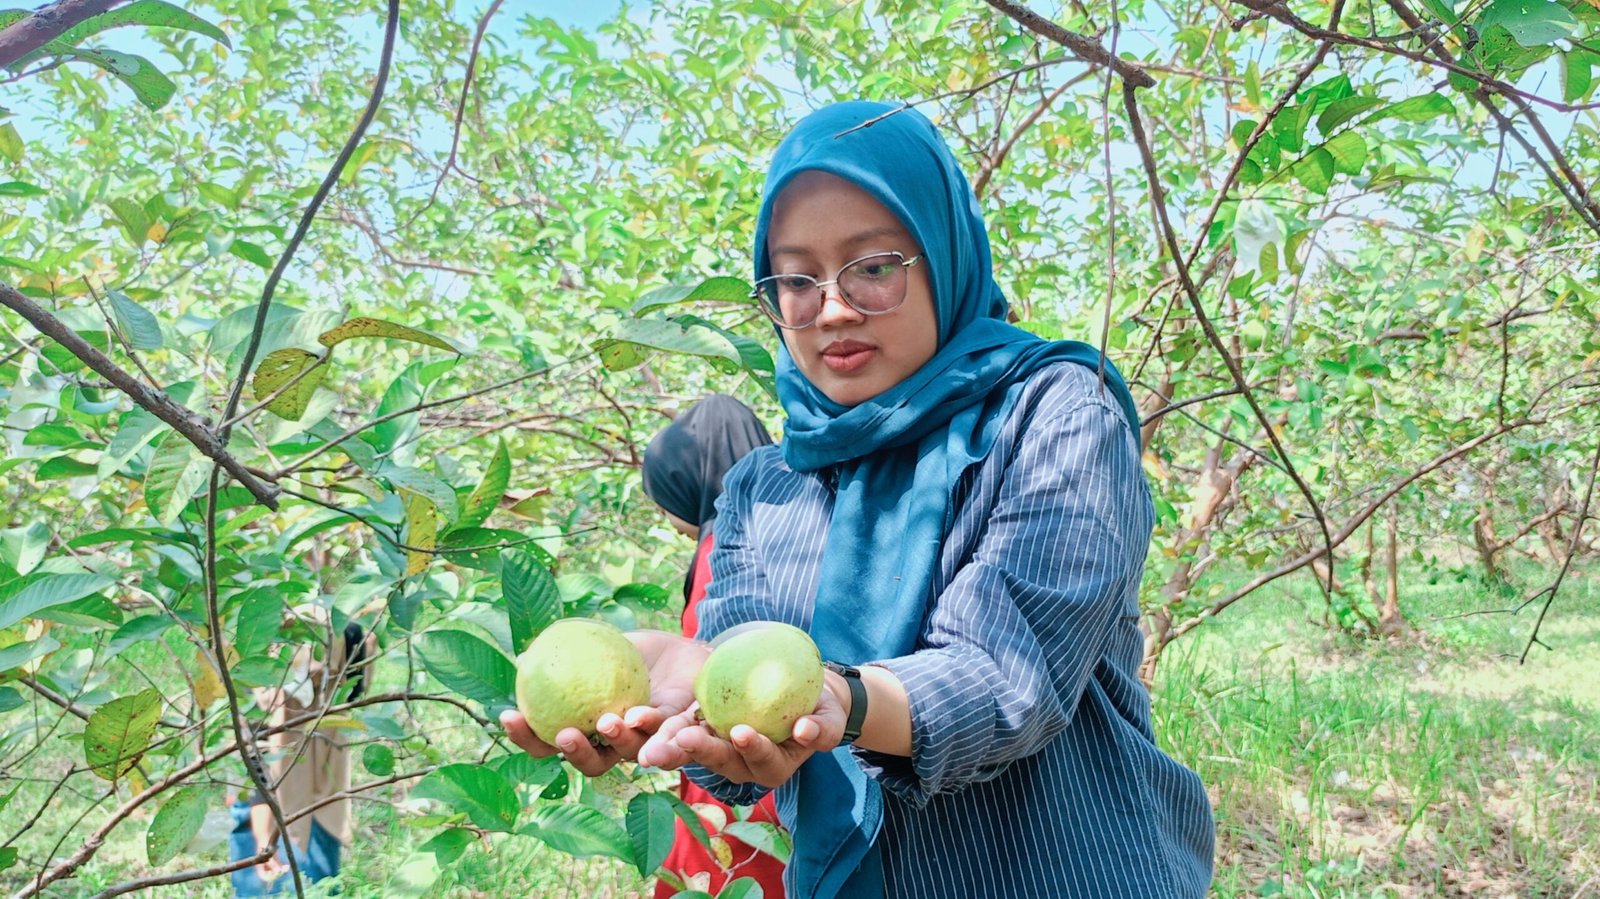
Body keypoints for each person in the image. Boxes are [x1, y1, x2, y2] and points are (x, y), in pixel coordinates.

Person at [502, 99, 1214, 898]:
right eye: (796, 278)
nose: (831, 307)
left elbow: (1008, 674)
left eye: (873, 265)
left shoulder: (1053, 413)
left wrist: (843, 695)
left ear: (941, 256)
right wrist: (699, 697)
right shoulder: (766, 485)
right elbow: (750, 743)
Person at [639, 394, 787, 898]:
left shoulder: (724, 545)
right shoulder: (792, 525)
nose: (665, 515)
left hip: (735, 777)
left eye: (664, 498)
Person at [229, 618, 372, 896]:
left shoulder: (257, 631)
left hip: (307, 795)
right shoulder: (348, 632)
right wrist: (262, 839)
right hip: (278, 798)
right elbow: (256, 756)